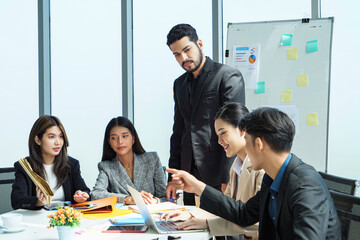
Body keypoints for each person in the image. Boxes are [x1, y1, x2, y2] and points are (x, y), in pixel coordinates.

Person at [166, 107, 341, 239]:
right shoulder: (272, 177)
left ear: (259, 143)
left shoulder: (305, 184)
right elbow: (244, 214)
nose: (246, 149)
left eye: (247, 141)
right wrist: (198, 187)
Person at [166, 23, 245, 205]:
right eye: (177, 55)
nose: (183, 58)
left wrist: (228, 175)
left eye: (187, 50)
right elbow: (178, 133)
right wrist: (173, 176)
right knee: (191, 227)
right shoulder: (179, 84)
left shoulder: (227, 76)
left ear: (199, 44)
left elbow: (234, 130)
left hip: (218, 170)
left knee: (225, 230)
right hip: (188, 174)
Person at [161, 103, 264, 240]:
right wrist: (191, 215)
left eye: (223, 133)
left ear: (243, 130)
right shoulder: (236, 166)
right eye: (217, 135)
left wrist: (207, 224)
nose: (220, 141)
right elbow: (224, 208)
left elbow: (256, 221)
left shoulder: (261, 169)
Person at [11, 115, 90, 210]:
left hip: (64, 219)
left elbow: (84, 190)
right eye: (51, 137)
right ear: (37, 140)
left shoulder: (72, 164)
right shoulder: (25, 166)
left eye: (61, 137)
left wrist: (81, 195)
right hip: (37, 220)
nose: (58, 142)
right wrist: (38, 202)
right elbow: (16, 201)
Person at [91, 116, 166, 205]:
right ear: (109, 142)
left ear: (133, 138)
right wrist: (127, 199)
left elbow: (165, 197)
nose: (120, 141)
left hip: (153, 215)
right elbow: (96, 194)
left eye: (124, 136)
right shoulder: (106, 166)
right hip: (123, 217)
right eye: (114, 138)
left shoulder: (152, 159)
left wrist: (155, 200)